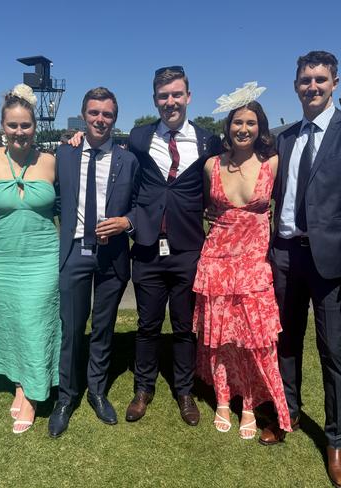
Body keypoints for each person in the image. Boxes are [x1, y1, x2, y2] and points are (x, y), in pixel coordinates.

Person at [262, 51, 341, 488]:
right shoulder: (287, 137)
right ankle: (288, 414)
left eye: (320, 79)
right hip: (287, 257)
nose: (312, 86)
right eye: (305, 80)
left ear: (334, 83)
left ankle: (336, 441)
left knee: (334, 352)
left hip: (331, 263)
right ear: (295, 84)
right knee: (286, 343)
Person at [193, 84, 291, 440]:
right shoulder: (211, 165)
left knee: (253, 339)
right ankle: (222, 398)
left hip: (253, 266)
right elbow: (206, 209)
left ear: (260, 127)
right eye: (237, 122)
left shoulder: (272, 164)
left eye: (250, 123)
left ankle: (249, 402)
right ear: (228, 127)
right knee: (219, 340)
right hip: (216, 262)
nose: (243, 129)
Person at [125, 66, 222, 425]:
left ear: (188, 97)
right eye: (164, 96)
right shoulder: (138, 137)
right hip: (148, 248)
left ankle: (184, 390)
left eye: (176, 94)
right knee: (147, 325)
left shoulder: (208, 141)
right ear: (155, 100)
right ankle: (143, 388)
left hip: (187, 249)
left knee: (184, 326)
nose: (170, 102)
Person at [48, 87, 139, 438]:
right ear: (84, 115)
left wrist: (125, 223)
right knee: (71, 328)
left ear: (115, 119)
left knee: (103, 328)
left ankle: (97, 391)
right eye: (94, 113)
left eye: (107, 115)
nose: (101, 119)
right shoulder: (64, 154)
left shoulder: (127, 160)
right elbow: (53, 199)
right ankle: (66, 397)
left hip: (112, 256)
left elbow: (141, 206)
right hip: (73, 252)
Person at [0, 84, 60, 434]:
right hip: (0, 256)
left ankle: (35, 392)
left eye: (26, 125)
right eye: (13, 125)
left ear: (35, 126)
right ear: (2, 126)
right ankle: (21, 382)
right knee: (10, 321)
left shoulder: (51, 162)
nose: (20, 132)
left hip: (41, 255)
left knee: (36, 319)